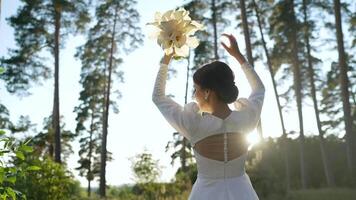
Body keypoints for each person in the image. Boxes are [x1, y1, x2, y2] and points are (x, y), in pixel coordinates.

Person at [152, 34, 265, 200]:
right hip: (243, 193)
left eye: (196, 89)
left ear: (207, 92)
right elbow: (259, 89)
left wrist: (166, 59)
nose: (194, 94)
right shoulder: (247, 119)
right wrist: (238, 56)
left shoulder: (193, 124)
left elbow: (158, 96)